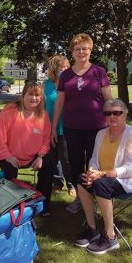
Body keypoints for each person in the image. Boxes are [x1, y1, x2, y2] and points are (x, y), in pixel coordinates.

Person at [74, 98, 132, 255]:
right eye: (108, 113)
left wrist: (102, 174)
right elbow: (94, 157)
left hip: (127, 180)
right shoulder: (101, 133)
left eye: (117, 113)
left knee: (100, 184)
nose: (112, 116)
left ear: (125, 115)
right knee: (82, 180)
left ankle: (111, 237)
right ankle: (92, 229)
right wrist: (91, 172)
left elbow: (131, 168)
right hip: (103, 176)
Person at [51, 33, 112, 213]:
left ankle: (97, 197)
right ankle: (81, 199)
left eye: (85, 48)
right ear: (72, 52)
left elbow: (109, 100)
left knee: (95, 165)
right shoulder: (66, 76)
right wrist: (54, 127)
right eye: (77, 49)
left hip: (98, 128)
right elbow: (60, 103)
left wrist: (113, 124)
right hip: (73, 129)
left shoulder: (99, 72)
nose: (81, 52)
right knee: (76, 165)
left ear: (90, 50)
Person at [0, 82, 54, 216]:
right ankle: (10, 206)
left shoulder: (43, 115)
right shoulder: (10, 110)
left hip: (33, 156)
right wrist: (7, 156)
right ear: (23, 96)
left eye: (37, 95)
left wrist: (40, 157)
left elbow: (46, 139)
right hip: (8, 154)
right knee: (10, 170)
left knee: (49, 164)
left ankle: (42, 204)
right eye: (30, 94)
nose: (34, 98)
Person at [43, 55, 75, 196]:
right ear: (54, 69)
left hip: (66, 126)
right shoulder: (46, 85)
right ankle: (57, 182)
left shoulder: (72, 84)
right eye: (62, 67)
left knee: (67, 159)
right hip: (50, 127)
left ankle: (71, 184)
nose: (65, 69)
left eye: (67, 66)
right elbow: (42, 106)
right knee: (52, 158)